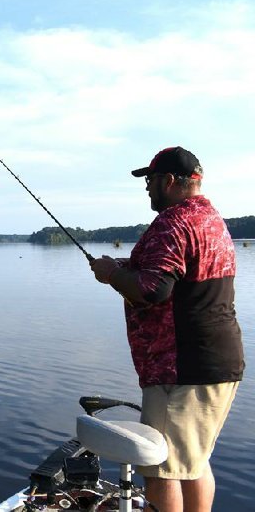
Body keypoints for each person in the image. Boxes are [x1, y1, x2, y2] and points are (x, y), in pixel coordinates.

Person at [89, 146, 244, 512]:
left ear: (170, 181)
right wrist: (124, 266)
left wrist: (112, 275)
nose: (146, 188)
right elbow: (173, 274)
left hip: (181, 369)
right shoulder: (209, 219)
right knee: (193, 461)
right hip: (217, 362)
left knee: (161, 468)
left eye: (150, 180)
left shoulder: (173, 222)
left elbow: (152, 290)